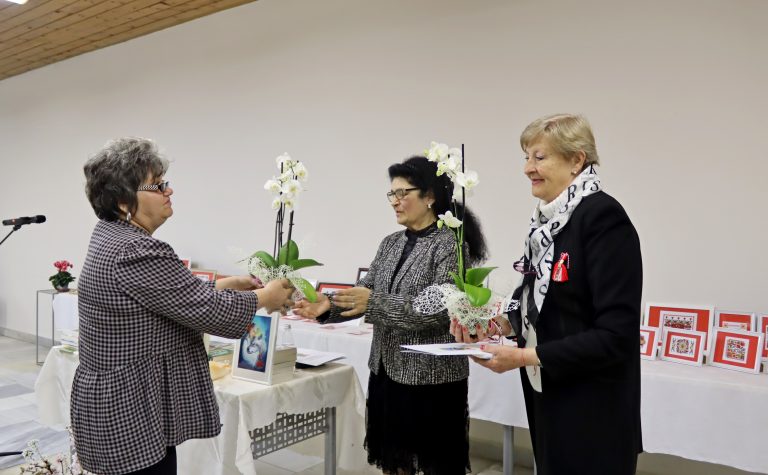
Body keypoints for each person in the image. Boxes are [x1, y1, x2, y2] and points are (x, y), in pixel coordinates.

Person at [72, 137, 295, 475]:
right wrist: (267, 297)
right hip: (131, 408)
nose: (169, 191)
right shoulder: (136, 249)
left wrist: (226, 284)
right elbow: (206, 309)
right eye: (157, 185)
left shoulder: (110, 237)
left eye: (166, 183)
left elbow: (163, 297)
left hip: (115, 402)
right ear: (122, 201)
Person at [452, 114, 643, 474]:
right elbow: (541, 305)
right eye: (526, 157)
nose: (527, 168)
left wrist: (524, 357)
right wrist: (497, 326)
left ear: (576, 160)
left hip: (592, 407)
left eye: (539, 157)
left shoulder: (602, 218)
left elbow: (616, 336)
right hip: (550, 395)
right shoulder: (546, 225)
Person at [293, 156, 488, 475]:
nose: (395, 202)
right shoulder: (391, 243)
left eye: (403, 193)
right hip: (386, 371)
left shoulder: (450, 244)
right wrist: (327, 306)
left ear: (429, 197)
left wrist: (373, 302)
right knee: (394, 462)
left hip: (431, 380)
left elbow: (435, 309)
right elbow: (364, 291)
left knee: (435, 464)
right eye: (391, 194)